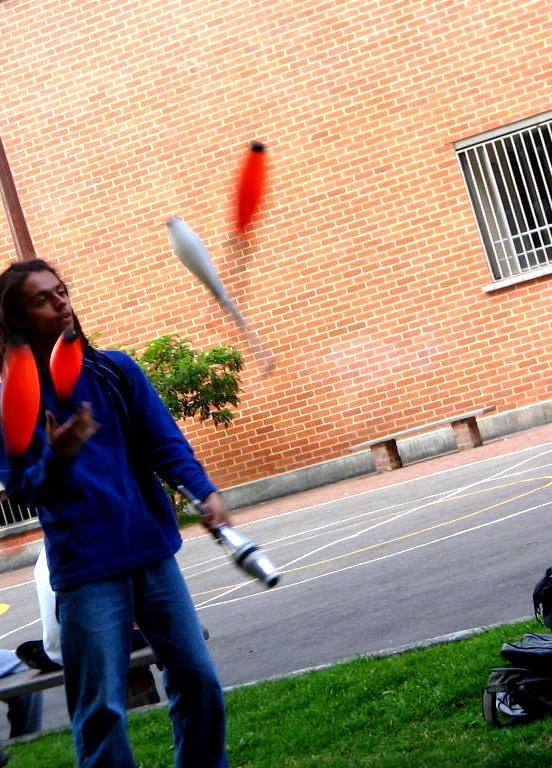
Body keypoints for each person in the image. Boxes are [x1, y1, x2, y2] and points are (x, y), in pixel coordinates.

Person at [0, 259, 231, 768]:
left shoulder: (114, 370)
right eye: (43, 298)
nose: (61, 303)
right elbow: (21, 486)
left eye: (62, 292)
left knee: (197, 679)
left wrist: (203, 492)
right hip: (86, 571)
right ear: (16, 320)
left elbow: (164, 444)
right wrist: (59, 457)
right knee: (100, 707)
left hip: (151, 553)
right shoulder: (15, 401)